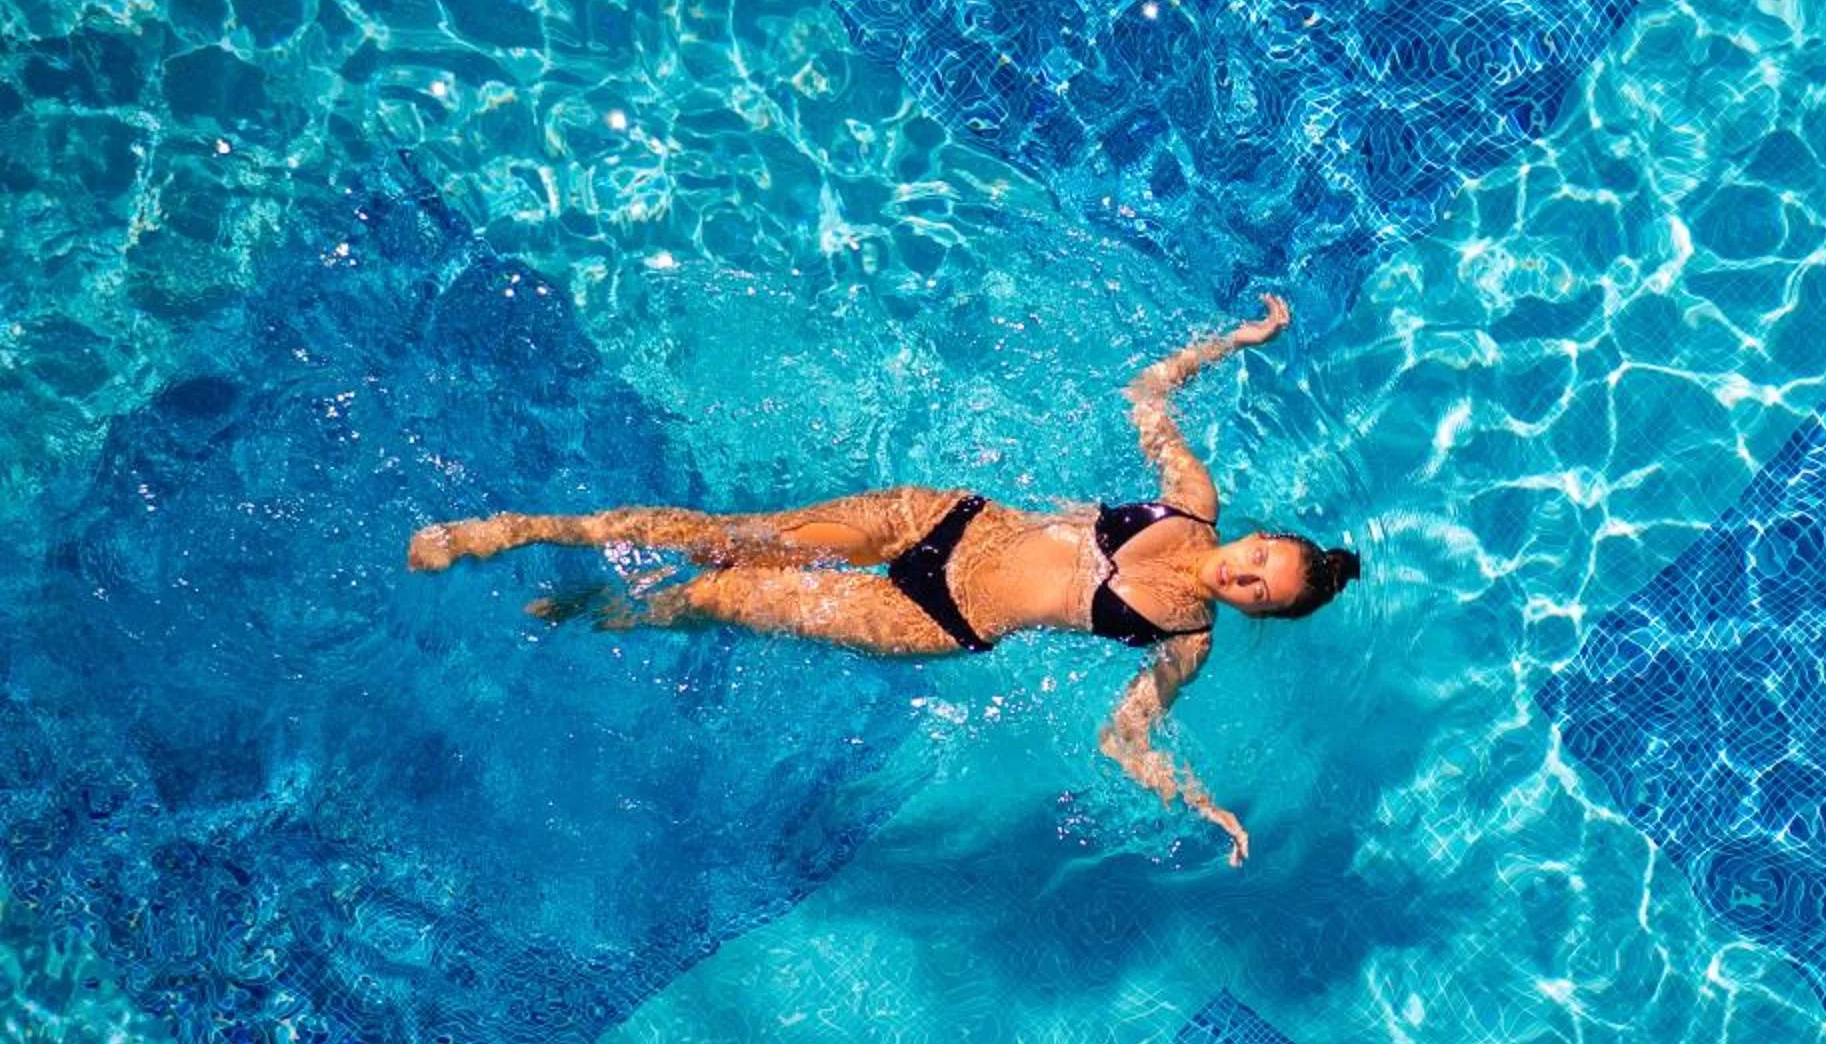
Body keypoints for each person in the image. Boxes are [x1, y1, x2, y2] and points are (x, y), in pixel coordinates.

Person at [406, 296, 1356, 863]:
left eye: (1260, 592)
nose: (1244, 575)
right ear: (1259, 536)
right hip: (939, 518)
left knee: (716, 596)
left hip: (926, 615)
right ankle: (523, 529)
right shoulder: (1191, 499)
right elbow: (1147, 392)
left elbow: (1123, 737)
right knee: (729, 540)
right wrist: (1236, 343)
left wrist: (1197, 802)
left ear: (1258, 612)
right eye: (1260, 559)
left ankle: (582, 607)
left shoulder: (1185, 639)